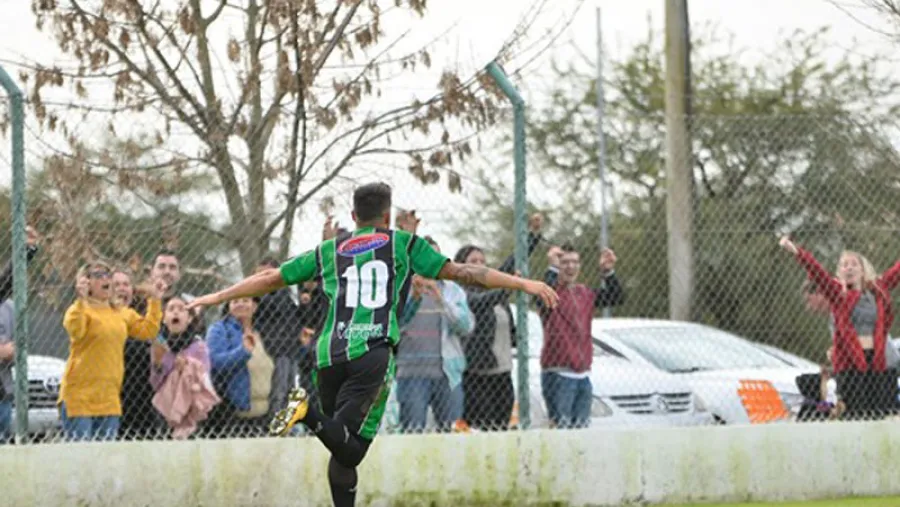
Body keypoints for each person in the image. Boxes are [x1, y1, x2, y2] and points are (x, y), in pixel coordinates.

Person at [187, 182, 558, 507]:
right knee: (352, 448)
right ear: (387, 215)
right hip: (373, 354)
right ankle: (306, 413)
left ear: (354, 214)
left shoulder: (329, 250)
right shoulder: (405, 244)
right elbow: (465, 273)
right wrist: (523, 284)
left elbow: (271, 278)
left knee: (344, 453)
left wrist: (217, 294)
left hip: (329, 353)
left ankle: (314, 423)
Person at [779, 236, 900, 420]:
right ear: (840, 272)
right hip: (851, 363)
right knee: (856, 413)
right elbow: (817, 272)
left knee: (883, 412)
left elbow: (896, 272)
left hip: (878, 360)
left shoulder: (877, 290)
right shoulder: (838, 293)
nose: (849, 267)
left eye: (854, 264)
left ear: (862, 270)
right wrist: (797, 251)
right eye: (844, 265)